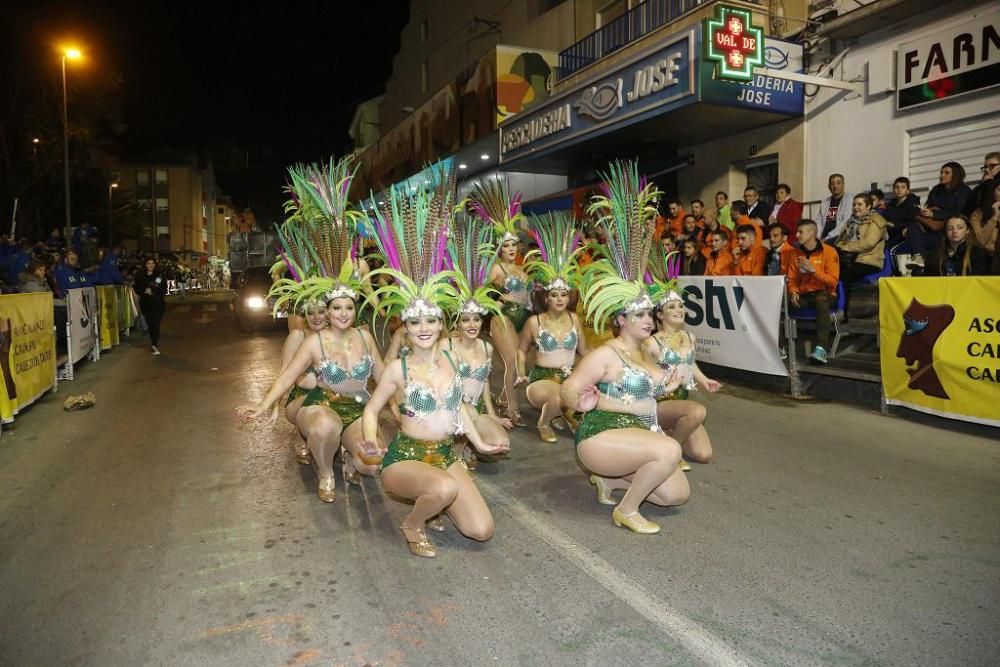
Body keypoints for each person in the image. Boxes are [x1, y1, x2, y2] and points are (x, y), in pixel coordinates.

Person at [362, 177, 508, 558]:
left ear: (443, 325)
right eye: (415, 323)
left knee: (481, 530)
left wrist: (478, 442)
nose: (424, 329)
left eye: (431, 322)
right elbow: (372, 409)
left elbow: (457, 405)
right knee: (442, 489)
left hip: (445, 453)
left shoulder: (450, 355)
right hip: (406, 458)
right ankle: (413, 523)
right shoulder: (398, 368)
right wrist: (369, 439)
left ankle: (437, 500)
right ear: (406, 328)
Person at [238, 155, 385, 501]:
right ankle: (324, 472)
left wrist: (404, 407)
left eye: (350, 307)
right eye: (336, 308)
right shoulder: (310, 338)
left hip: (359, 408)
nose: (343, 314)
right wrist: (263, 405)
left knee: (373, 464)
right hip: (324, 404)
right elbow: (289, 377)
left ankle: (351, 458)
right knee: (324, 426)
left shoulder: (364, 335)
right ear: (326, 310)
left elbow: (384, 377)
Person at [563, 160, 689, 534]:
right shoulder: (606, 353)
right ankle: (627, 510)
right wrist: (580, 401)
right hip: (602, 435)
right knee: (670, 451)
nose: (647, 321)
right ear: (620, 319)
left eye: (649, 315)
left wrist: (669, 380)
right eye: (638, 316)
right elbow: (569, 388)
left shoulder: (649, 349)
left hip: (639, 435)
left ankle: (613, 482)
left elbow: (662, 382)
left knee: (674, 495)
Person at [446, 208, 511, 468]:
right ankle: (456, 450)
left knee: (501, 443)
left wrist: (492, 414)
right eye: (466, 320)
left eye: (476, 319)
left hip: (476, 407)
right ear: (457, 322)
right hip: (451, 409)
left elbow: (484, 383)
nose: (472, 325)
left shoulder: (486, 346)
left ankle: (469, 443)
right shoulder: (447, 345)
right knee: (467, 415)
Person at [517, 212, 588, 442]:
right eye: (554, 295)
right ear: (546, 298)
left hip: (569, 376)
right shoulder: (534, 322)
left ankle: (562, 415)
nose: (559, 299)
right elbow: (521, 350)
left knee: (585, 401)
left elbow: (585, 352)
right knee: (560, 397)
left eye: (564, 294)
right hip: (541, 380)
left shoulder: (575, 320)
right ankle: (545, 421)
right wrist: (520, 372)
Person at [474, 179, 531, 427]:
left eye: (513, 245)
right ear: (499, 249)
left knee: (520, 363)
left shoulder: (523, 270)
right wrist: (496, 294)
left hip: (523, 318)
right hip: (503, 316)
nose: (510, 249)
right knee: (510, 362)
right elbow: (482, 291)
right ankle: (511, 408)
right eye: (505, 245)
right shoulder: (496, 268)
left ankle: (503, 397)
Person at [644, 289, 721, 468]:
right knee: (697, 412)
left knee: (704, 454)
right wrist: (664, 384)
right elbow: (643, 377)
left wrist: (704, 379)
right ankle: (673, 449)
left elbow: (689, 363)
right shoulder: (651, 343)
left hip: (681, 402)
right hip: (658, 403)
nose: (679, 309)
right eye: (672, 307)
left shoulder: (689, 337)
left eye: (680, 305)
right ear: (660, 315)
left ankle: (670, 431)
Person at [271, 301, 329, 466]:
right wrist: (275, 405)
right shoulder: (298, 336)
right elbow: (283, 374)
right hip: (302, 399)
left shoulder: (335, 336)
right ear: (305, 315)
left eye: (321, 311)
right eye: (311, 313)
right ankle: (302, 434)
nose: (316, 317)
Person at [787, 220, 840, 364]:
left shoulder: (829, 251)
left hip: (826, 293)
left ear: (811, 233)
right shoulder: (794, 253)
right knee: (778, 302)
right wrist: (793, 292)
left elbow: (833, 282)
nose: (797, 235)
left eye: (800, 232)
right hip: (804, 295)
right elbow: (791, 279)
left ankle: (821, 349)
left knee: (821, 300)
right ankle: (779, 347)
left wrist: (814, 271)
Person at [910, 162, 972, 254]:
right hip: (933, 224)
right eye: (941, 172)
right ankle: (918, 257)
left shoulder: (964, 190)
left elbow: (957, 211)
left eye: (946, 173)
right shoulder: (936, 190)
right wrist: (927, 212)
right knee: (912, 227)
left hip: (949, 225)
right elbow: (930, 206)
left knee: (942, 235)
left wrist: (934, 214)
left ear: (956, 174)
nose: (942, 175)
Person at [834, 193, 887, 286]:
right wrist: (840, 247)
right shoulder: (850, 222)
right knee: (828, 272)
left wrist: (846, 247)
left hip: (868, 260)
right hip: (849, 259)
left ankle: (843, 300)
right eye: (854, 204)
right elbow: (841, 241)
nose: (856, 207)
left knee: (843, 276)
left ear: (868, 206)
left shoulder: (876, 220)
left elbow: (869, 242)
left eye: (860, 204)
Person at [924, 216, 991, 276]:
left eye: (960, 228)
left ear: (967, 230)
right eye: (950, 228)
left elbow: (980, 281)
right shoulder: (936, 252)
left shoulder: (978, 253)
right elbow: (928, 277)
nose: (954, 231)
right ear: (945, 231)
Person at [134, 257, 167, 355]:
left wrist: (152, 291)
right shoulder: (140, 275)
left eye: (152, 263)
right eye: (148, 263)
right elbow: (137, 287)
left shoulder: (159, 276)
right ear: (145, 265)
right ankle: (154, 341)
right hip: (145, 304)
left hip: (158, 304)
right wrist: (144, 290)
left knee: (156, 324)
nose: (151, 265)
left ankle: (154, 345)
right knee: (150, 325)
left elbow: (163, 289)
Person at [969, 180, 999, 273]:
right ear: (993, 193)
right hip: (982, 258)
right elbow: (980, 241)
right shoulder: (978, 214)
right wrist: (994, 218)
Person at [883, 177, 921, 247]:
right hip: (891, 235)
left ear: (908, 191)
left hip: (905, 237)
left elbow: (914, 222)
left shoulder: (912, 204)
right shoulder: (890, 205)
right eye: (897, 187)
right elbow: (884, 218)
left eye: (903, 187)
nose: (899, 190)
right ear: (893, 190)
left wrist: (894, 225)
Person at [816, 173, 853, 242]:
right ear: (829, 186)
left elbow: (846, 221)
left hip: (838, 236)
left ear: (843, 185)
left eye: (838, 183)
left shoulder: (849, 199)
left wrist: (827, 238)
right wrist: (817, 238)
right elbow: (819, 222)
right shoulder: (825, 202)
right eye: (832, 184)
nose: (835, 186)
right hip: (824, 237)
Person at [963, 151, 1000, 217]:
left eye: (991, 166)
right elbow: (968, 211)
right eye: (985, 167)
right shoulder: (980, 188)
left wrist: (988, 184)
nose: (986, 170)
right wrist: (984, 185)